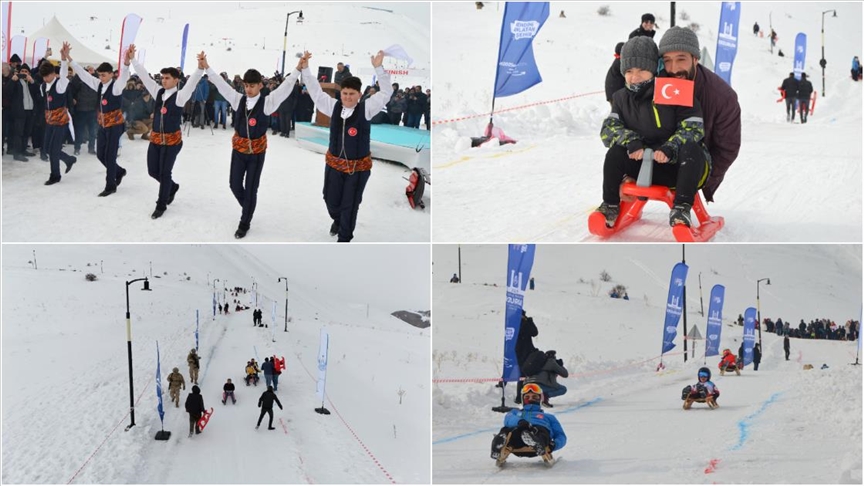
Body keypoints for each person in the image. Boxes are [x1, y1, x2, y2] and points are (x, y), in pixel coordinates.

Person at [596, 36, 711, 229]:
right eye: (630, 71)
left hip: (679, 169)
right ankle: (610, 204)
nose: (635, 76)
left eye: (642, 70)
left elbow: (693, 127)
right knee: (615, 152)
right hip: (644, 166)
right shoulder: (621, 98)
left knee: (691, 149)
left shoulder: (675, 90)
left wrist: (670, 148)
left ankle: (681, 208)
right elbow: (609, 129)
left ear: (655, 68)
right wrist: (630, 141)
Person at [200, 52, 303, 239]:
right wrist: (207, 66)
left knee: (251, 187)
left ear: (260, 85)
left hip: (256, 152)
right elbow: (221, 84)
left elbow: (286, 87)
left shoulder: (268, 102)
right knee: (234, 184)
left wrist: (297, 69)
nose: (248, 89)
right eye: (246, 85)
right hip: (238, 150)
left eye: (252, 86)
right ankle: (249, 206)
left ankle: (244, 222)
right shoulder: (237, 99)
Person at [300, 51, 393, 242]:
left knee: (349, 205)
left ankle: (345, 238)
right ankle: (338, 220)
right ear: (340, 93)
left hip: (357, 169)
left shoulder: (366, 108)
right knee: (330, 200)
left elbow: (386, 93)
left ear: (359, 94)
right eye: (345, 93)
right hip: (334, 165)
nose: (348, 97)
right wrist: (306, 68)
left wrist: (378, 68)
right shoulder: (332, 106)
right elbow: (316, 92)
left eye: (352, 94)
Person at [659, 26, 741, 203]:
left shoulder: (722, 97)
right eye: (667, 60)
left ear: (695, 59)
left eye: (681, 59)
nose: (673, 68)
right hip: (658, 159)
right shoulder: (656, 84)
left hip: (696, 164)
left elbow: (727, 148)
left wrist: (703, 178)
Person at [129, 45, 204, 219]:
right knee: (152, 171)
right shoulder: (158, 92)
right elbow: (144, 77)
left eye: (167, 78)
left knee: (164, 172)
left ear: (176, 80)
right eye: (162, 78)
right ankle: (172, 186)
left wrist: (200, 68)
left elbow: (192, 83)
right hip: (156, 139)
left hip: (172, 141)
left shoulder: (180, 96)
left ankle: (161, 205)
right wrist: (133, 60)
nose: (163, 81)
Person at [68, 44, 131, 197]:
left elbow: (124, 77)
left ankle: (110, 185)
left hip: (115, 125)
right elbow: (84, 75)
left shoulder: (116, 87)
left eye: (104, 75)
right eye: (99, 75)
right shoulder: (98, 84)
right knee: (100, 155)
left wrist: (127, 63)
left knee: (110, 156)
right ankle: (119, 171)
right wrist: (70, 59)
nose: (101, 77)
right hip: (103, 125)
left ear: (111, 74)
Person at [490, 383, 566, 466]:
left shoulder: (548, 417)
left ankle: (536, 442)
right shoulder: (515, 412)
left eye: (534, 397)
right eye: (527, 397)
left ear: (540, 399)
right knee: (507, 430)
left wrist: (554, 445)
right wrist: (520, 422)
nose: (530, 399)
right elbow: (508, 419)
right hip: (517, 439)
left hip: (538, 435)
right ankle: (499, 444)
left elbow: (561, 435)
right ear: (523, 400)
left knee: (541, 431)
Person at [40, 44, 77, 185]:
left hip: (61, 121)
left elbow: (63, 74)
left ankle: (55, 175)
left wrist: (63, 58)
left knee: (54, 150)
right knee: (48, 149)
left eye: (47, 76)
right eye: (43, 77)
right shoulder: (43, 85)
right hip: (50, 121)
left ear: (52, 74)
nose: (45, 79)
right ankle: (69, 159)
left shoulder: (60, 85)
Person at [514, 311, 539, 404]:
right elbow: (520, 332)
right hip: (519, 352)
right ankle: (519, 397)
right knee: (522, 375)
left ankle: (529, 395)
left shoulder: (526, 323)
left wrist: (529, 320)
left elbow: (534, 332)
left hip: (529, 352)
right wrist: (524, 322)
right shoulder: (514, 324)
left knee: (529, 374)